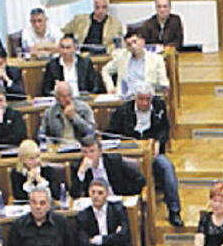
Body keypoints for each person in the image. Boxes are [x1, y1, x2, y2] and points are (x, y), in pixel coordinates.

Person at [106, 81, 182, 226]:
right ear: (135, 98)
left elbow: (165, 129)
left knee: (167, 167)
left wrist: (159, 141)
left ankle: (174, 210)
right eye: (141, 99)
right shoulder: (123, 111)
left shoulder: (158, 107)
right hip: (128, 156)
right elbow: (110, 134)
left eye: (148, 99)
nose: (145, 102)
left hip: (152, 153)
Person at [71, 138, 145, 199]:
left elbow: (140, 180)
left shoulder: (114, 161)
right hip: (95, 205)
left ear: (100, 152)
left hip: (116, 200)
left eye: (92, 151)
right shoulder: (78, 166)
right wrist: (81, 172)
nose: (88, 155)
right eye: (85, 152)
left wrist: (125, 195)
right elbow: (74, 193)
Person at [101, 30, 169, 96]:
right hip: (125, 98)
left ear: (142, 41)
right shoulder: (122, 57)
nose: (133, 46)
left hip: (147, 97)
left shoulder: (156, 59)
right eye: (129, 44)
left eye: (135, 42)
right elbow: (105, 70)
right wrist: (110, 87)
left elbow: (164, 84)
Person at [40, 34, 104, 96]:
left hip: (82, 99)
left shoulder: (85, 63)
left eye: (68, 48)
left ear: (75, 48)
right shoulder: (52, 65)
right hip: (61, 100)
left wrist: (88, 95)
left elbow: (95, 86)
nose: (65, 51)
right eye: (62, 47)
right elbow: (46, 90)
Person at [39, 81, 97, 145]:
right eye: (63, 97)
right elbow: (42, 134)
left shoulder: (83, 108)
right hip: (59, 147)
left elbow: (90, 131)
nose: (67, 99)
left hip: (82, 146)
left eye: (69, 95)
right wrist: (49, 144)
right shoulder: (50, 112)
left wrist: (74, 116)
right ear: (56, 97)